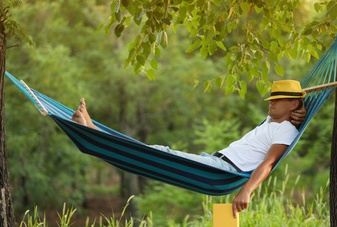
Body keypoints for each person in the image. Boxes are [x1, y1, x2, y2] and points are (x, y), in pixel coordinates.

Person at [72, 80, 307, 218]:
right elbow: (289, 112)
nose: (271, 103)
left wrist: (247, 190)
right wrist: (299, 111)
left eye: (278, 100)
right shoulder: (271, 121)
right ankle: (94, 131)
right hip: (215, 162)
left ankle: (93, 133)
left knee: (160, 153)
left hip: (222, 172)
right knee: (153, 154)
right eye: (271, 99)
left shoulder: (285, 130)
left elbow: (268, 163)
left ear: (293, 103)